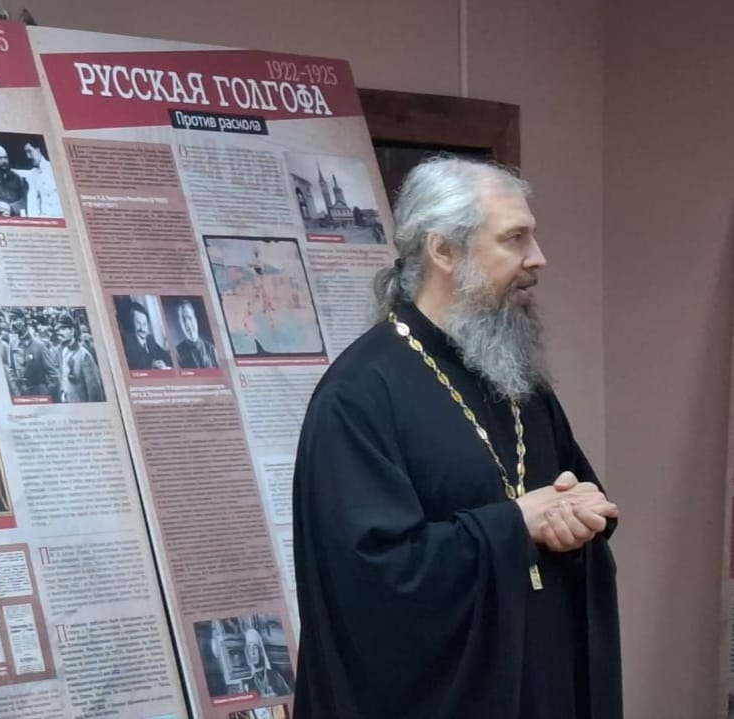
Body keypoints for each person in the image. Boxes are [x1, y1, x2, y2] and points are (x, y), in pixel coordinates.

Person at [292, 157, 621, 718]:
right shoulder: (359, 394)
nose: (538, 258)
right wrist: (516, 525)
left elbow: (570, 490)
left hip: (540, 682)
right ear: (443, 251)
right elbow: (370, 578)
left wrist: (580, 516)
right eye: (515, 238)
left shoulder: (516, 377)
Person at [55, 313, 104, 402]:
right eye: (59, 330)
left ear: (72, 331)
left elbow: (94, 390)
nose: (60, 333)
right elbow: (64, 379)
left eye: (64, 329)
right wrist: (63, 394)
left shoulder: (84, 355)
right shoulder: (64, 352)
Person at [241, 628, 291, 699]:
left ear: (260, 651)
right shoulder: (249, 683)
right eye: (249, 648)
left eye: (255, 648)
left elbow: (289, 696)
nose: (253, 653)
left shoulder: (275, 675)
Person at [122, 301, 172, 370]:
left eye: (145, 324)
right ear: (132, 323)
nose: (142, 329)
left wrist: (162, 363)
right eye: (138, 323)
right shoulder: (127, 341)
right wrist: (152, 365)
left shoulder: (149, 339)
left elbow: (166, 356)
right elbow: (135, 365)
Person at [0, 144, 28, 217]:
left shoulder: (16, 178)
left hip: (13, 215)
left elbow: (24, 201)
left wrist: (10, 208)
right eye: (0, 158)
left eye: (5, 158)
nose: (4, 161)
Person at [20, 140, 62, 217]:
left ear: (38, 150)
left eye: (29, 151)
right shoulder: (33, 174)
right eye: (26, 153)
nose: (28, 156)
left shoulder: (54, 169)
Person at [18, 323, 60, 400]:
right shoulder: (20, 347)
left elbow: (53, 373)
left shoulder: (40, 347)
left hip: (40, 389)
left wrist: (47, 391)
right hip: (26, 391)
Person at [174, 299, 219, 369]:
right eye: (183, 320)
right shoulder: (177, 353)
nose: (188, 324)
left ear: (195, 320)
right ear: (180, 325)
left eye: (189, 318)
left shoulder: (211, 349)